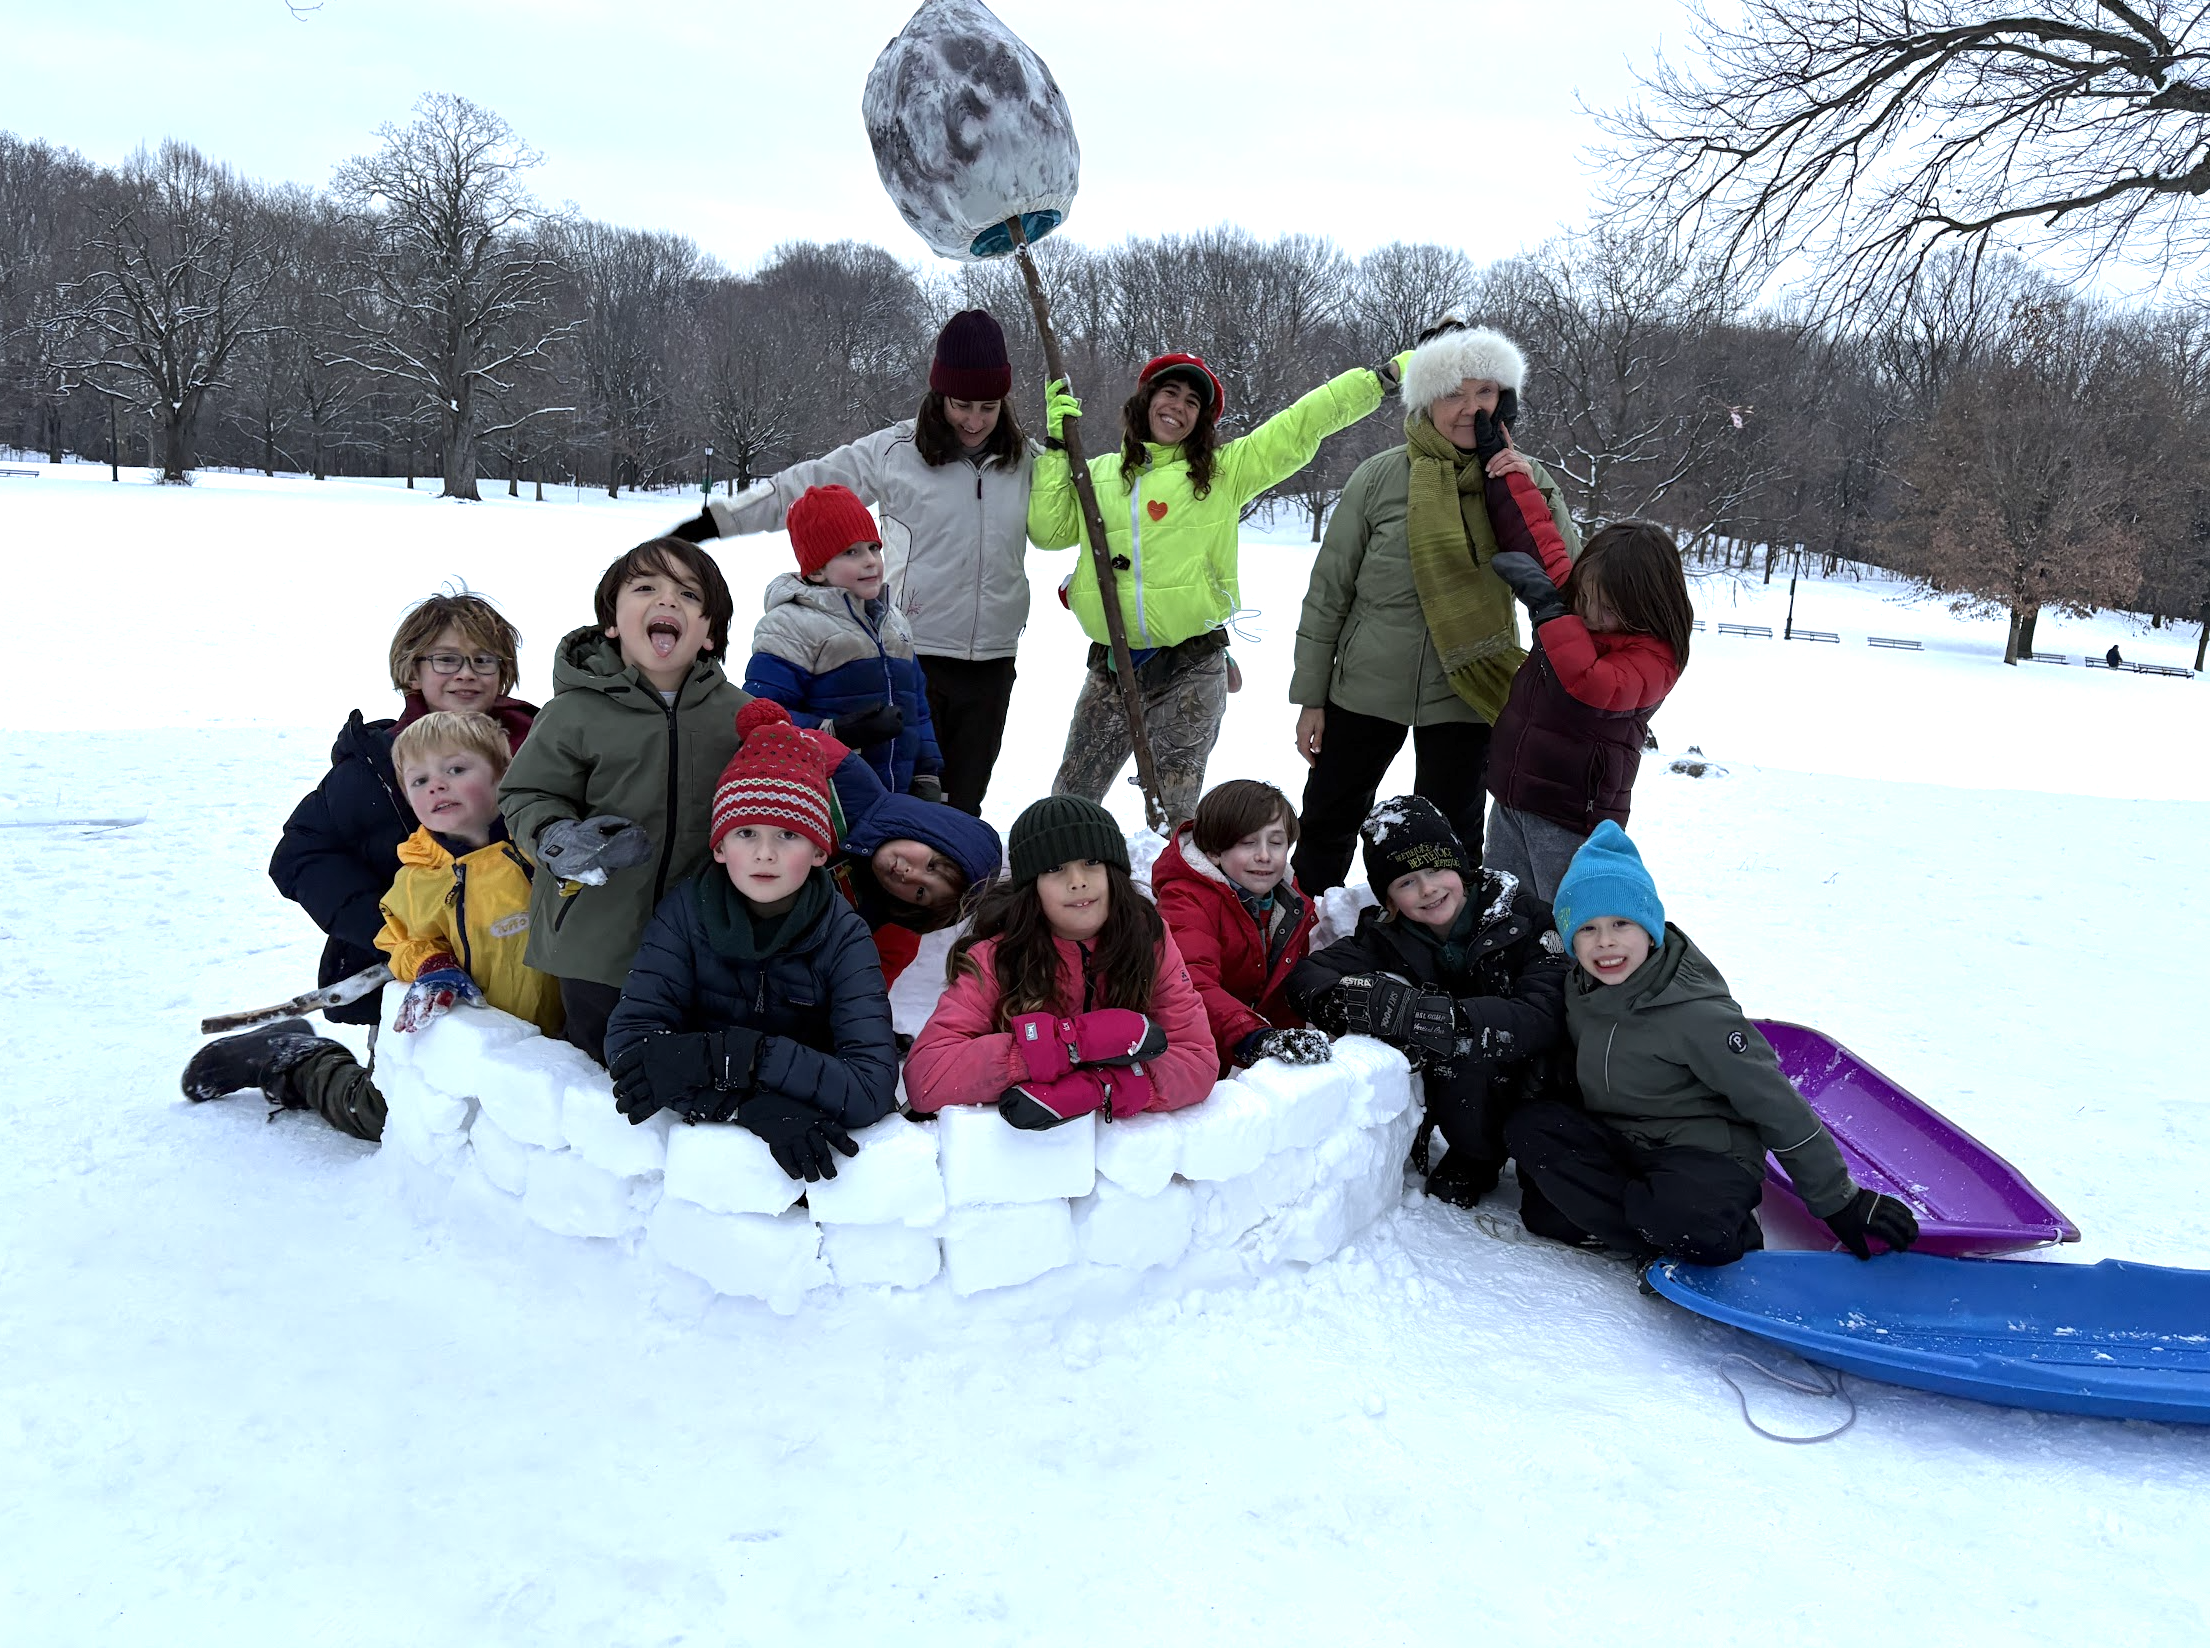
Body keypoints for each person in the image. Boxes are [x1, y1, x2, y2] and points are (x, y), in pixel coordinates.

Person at [1505, 823, 1922, 1265]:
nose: (1605, 941)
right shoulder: (1581, 989)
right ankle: (1652, 1226)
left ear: (1650, 929)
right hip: (1625, 1142)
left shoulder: (1695, 1012)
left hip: (1704, 1155)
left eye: (1621, 922)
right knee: (1532, 1139)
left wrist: (1840, 1200)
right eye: (1587, 929)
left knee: (1682, 1220)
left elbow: (1774, 1102)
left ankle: (1719, 1231)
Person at [672, 309, 1033, 816]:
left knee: (962, 803)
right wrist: (715, 522)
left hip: (992, 664)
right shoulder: (894, 452)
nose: (974, 421)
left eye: (988, 406)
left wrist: (1066, 450)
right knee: (897, 798)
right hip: (911, 654)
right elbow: (802, 485)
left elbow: (1081, 514)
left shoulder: (1028, 461)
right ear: (938, 395)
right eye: (961, 404)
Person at [1032, 347, 1405, 824]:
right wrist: (1057, 450)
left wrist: (1380, 379)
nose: (1179, 407)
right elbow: (1048, 532)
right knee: (1070, 801)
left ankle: (1177, 896)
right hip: (1112, 665)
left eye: (1193, 402)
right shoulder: (1099, 474)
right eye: (1170, 392)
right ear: (1145, 400)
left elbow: (1301, 423)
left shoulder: (1223, 473)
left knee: (1175, 815)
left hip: (1191, 667)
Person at [1288, 322, 1580, 894]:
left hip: (1469, 691)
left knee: (1455, 838)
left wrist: (1522, 489)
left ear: (1505, 398)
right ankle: (1300, 936)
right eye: (1453, 393)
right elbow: (1329, 592)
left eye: (1485, 392)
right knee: (1328, 822)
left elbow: (1564, 576)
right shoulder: (1378, 478)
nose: (1470, 408)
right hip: (1365, 688)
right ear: (1426, 398)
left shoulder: (1527, 479)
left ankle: (1450, 955)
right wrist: (1310, 698)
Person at [184, 710, 559, 1139]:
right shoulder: (418, 877)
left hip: (557, 1031)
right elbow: (400, 937)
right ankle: (296, 1059)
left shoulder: (539, 849)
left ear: (503, 774)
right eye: (418, 781)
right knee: (383, 1118)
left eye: (456, 770)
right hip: (473, 1033)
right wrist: (430, 962)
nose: (437, 785)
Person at [603, 702, 898, 1182]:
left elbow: (870, 1088)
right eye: (745, 833)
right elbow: (634, 1053)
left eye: (788, 834)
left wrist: (744, 1056)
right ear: (719, 847)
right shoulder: (685, 915)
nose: (765, 853)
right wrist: (749, 1105)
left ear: (820, 850)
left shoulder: (844, 936)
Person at [497, 536, 745, 1066]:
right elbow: (526, 792)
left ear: (709, 633)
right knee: (596, 1067)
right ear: (612, 621)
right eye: (645, 588)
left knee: (686, 1060)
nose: (667, 602)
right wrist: (557, 836)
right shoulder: (575, 712)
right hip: (593, 939)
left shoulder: (737, 717)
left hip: (701, 939)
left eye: (688, 593)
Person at [268, 589, 533, 1031]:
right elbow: (299, 857)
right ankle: (300, 1065)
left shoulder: (545, 746)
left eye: (484, 660)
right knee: (401, 1100)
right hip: (416, 981)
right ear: (413, 671)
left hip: (531, 969)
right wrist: (398, 935)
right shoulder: (377, 766)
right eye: (447, 659)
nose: (467, 674)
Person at [1288, 796, 1569, 1207]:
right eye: (1405, 882)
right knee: (1452, 1055)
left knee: (1551, 1212)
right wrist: (1352, 1000)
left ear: (1460, 866)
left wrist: (1447, 1018)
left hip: (1540, 1084)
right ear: (1389, 900)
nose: (1428, 889)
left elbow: (1546, 1010)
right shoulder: (1387, 935)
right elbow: (1308, 976)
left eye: (1436, 868)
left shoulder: (1524, 917)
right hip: (1467, 1093)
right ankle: (1474, 1156)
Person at [904, 796, 1216, 1128]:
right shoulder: (996, 957)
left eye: (1092, 861)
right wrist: (1067, 1043)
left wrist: (1098, 1088)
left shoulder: (1148, 939)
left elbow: (1197, 1060)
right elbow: (928, 1077)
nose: (1078, 880)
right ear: (1032, 888)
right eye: (1054, 869)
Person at [1481, 509, 1692, 902]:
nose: (1591, 615)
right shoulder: (1572, 611)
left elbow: (1591, 685)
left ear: (1648, 607)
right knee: (1501, 908)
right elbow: (1540, 538)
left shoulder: (1656, 657)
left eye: (1608, 608)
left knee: (1566, 926)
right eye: (1585, 597)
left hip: (1572, 818)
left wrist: (1551, 612)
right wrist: (1499, 457)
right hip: (1513, 798)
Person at [741, 483, 944, 800]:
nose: (870, 561)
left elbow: (917, 707)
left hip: (897, 794)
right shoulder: (790, 627)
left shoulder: (894, 624)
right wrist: (836, 731)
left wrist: (927, 772)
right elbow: (763, 719)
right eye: (851, 552)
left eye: (873, 548)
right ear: (818, 570)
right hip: (828, 797)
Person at [1150, 778, 1327, 1078]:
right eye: (1248, 843)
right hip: (1202, 1059)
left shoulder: (1288, 902)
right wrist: (1255, 1037)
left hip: (1252, 1051)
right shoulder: (1187, 901)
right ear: (1214, 852)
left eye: (1276, 842)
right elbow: (1191, 983)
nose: (1265, 856)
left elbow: (1284, 987)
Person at [827, 750, 1003, 987]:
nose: (910, 875)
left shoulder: (876, 921)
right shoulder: (843, 776)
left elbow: (863, 990)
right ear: (927, 829)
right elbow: (771, 732)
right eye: (931, 865)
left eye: (921, 892)